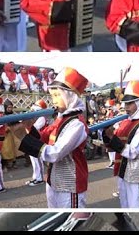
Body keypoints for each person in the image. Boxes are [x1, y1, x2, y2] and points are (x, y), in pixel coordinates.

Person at [17, 68, 92, 209]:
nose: (54, 100)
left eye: (58, 95)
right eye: (53, 96)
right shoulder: (59, 120)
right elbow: (42, 138)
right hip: (53, 180)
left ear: (70, 96)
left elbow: (54, 153)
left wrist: (22, 137)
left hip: (70, 184)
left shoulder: (76, 124)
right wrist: (29, 128)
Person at [99, 79, 139, 209]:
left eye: (130, 104)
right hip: (122, 171)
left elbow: (132, 152)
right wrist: (106, 135)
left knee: (137, 207)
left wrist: (112, 136)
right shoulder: (124, 122)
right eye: (125, 104)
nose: (126, 107)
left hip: (136, 174)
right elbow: (114, 144)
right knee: (125, 206)